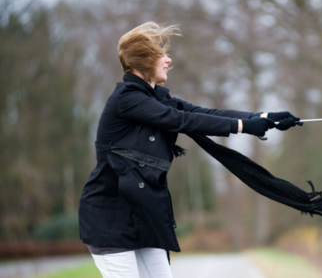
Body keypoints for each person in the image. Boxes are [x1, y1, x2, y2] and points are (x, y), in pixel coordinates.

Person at [78, 22, 300, 278]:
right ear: (145, 60)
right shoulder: (127, 99)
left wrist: (263, 116)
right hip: (110, 218)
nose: (168, 60)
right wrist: (244, 126)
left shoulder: (155, 97)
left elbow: (201, 113)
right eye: (162, 55)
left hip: (144, 215)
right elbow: (181, 121)